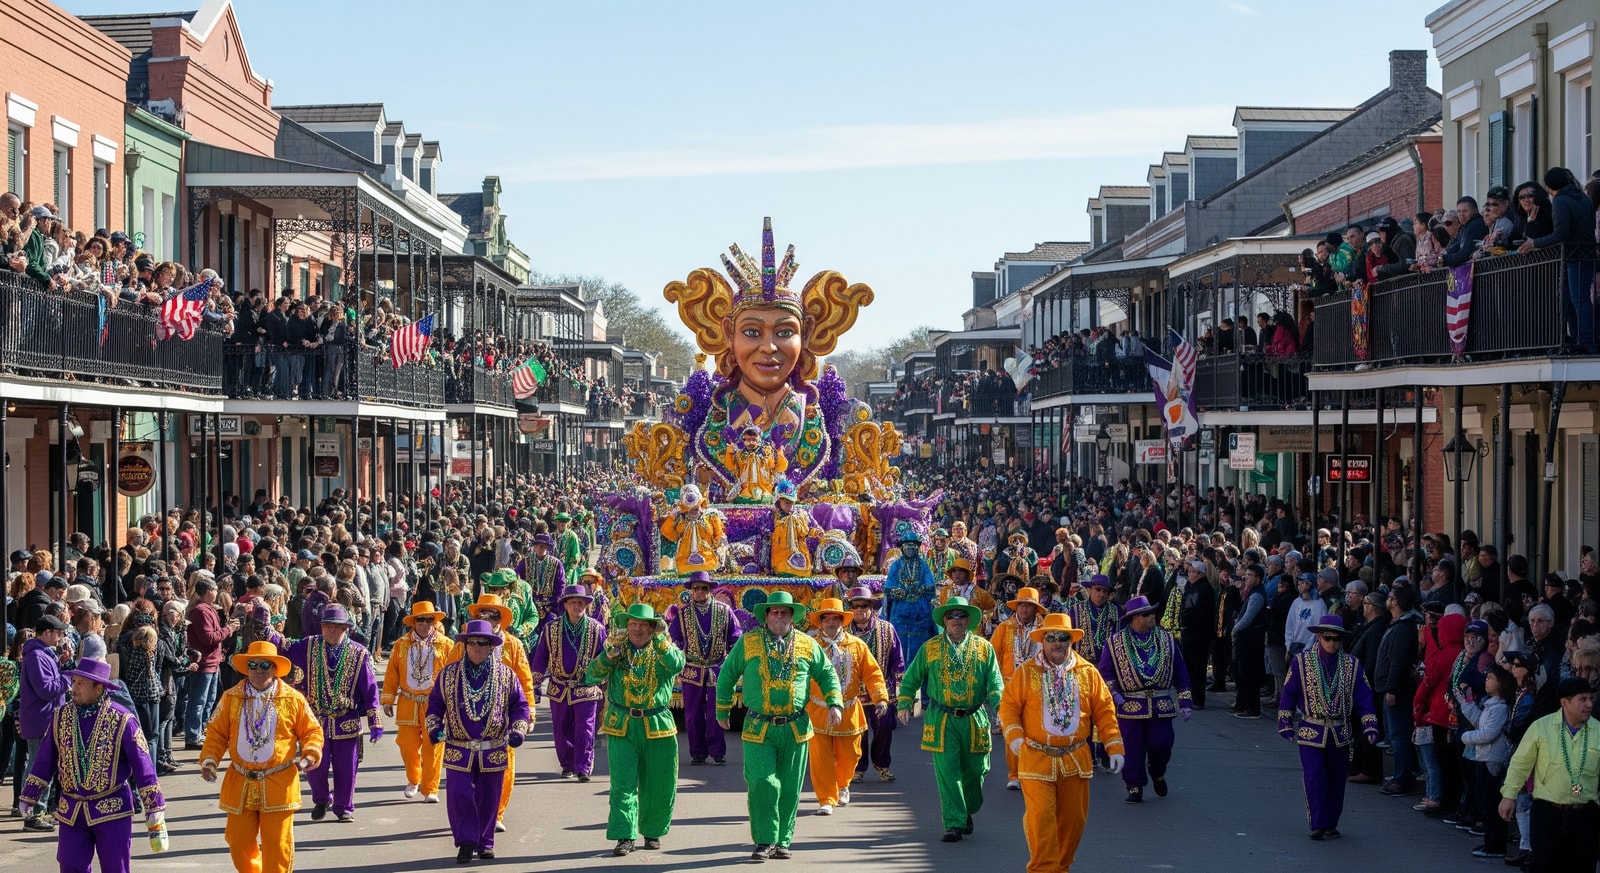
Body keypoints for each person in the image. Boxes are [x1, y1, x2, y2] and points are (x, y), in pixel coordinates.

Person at [716, 591, 843, 861]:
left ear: (792, 617)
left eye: (785, 612)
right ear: (766, 615)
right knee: (763, 783)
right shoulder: (749, 642)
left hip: (795, 727)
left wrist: (834, 703)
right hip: (759, 727)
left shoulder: (807, 644)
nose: (779, 616)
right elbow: (727, 674)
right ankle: (764, 839)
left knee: (789, 787)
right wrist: (722, 708)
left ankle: (783, 840)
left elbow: (827, 673)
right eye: (775, 611)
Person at [999, 613, 1125, 873]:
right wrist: (1014, 735)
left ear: (1071, 640)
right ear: (1043, 640)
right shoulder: (1026, 672)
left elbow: (1104, 711)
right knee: (1041, 820)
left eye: (1063, 637)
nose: (1057, 643)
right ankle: (1043, 869)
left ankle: (1061, 867)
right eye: (1051, 637)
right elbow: (1009, 706)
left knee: (1072, 825)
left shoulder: (1088, 673)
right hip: (1036, 759)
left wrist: (1114, 746)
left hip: (1075, 760)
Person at [19, 657, 166, 873]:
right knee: (70, 865)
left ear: (99, 688)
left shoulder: (123, 719)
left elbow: (143, 765)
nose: (74, 688)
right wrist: (29, 795)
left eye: (81, 683)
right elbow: (45, 759)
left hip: (112, 808)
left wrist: (154, 807)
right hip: (72, 809)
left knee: (116, 867)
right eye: (74, 682)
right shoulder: (61, 717)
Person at [199, 640, 325, 873]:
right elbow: (216, 733)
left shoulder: (293, 699)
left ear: (275, 668)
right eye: (253, 665)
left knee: (277, 845)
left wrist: (309, 754)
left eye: (265, 665)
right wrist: (210, 760)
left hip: (278, 782)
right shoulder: (231, 697)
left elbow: (312, 731)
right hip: (240, 782)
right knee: (237, 840)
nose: (258, 670)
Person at [897, 595, 1005, 842]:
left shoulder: (984, 648)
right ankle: (954, 822)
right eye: (951, 616)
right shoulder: (930, 647)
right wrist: (904, 702)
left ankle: (966, 808)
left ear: (969, 620)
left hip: (974, 718)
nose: (956, 620)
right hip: (942, 719)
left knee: (977, 771)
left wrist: (1001, 708)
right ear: (944, 621)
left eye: (961, 615)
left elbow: (995, 682)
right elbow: (912, 677)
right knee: (947, 772)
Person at [426, 619, 531, 864]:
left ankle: (485, 843)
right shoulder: (448, 674)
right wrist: (435, 728)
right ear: (465, 645)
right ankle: (465, 842)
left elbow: (520, 706)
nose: (477, 647)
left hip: (492, 747)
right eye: (472, 642)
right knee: (459, 794)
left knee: (489, 797)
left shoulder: (506, 675)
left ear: (491, 646)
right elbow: (435, 705)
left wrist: (518, 730)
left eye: (483, 643)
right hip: (459, 747)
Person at [585, 602, 683, 856]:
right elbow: (591, 676)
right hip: (622, 725)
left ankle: (652, 830)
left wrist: (660, 640)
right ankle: (625, 835)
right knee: (623, 783)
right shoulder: (616, 649)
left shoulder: (663, 649)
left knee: (659, 783)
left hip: (657, 725)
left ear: (652, 628)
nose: (637, 629)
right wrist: (607, 658)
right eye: (633, 624)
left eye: (643, 625)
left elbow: (677, 665)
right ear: (627, 626)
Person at [1276, 615, 1379, 839]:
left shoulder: (1352, 665)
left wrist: (1370, 725)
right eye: (1328, 638)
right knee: (1315, 776)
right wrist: (1285, 722)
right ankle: (1318, 823)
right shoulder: (1302, 662)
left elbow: (1364, 697)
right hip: (1311, 729)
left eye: (1337, 638)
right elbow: (1289, 692)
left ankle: (1331, 823)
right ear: (1319, 637)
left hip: (1341, 731)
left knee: (1336, 779)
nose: (1332, 642)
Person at [444, 593, 536, 831]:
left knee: (504, 769)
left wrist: (529, 714)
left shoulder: (513, 644)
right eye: (481, 614)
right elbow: (447, 676)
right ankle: (471, 820)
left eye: (492, 615)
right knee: (465, 775)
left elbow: (524, 680)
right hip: (467, 718)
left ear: (500, 619)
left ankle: (496, 814)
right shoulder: (464, 644)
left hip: (500, 720)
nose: (487, 618)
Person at [282, 605, 381, 823]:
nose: (331, 631)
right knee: (314, 765)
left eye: (337, 627)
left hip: (346, 720)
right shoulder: (309, 645)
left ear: (346, 628)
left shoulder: (359, 653)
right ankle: (321, 799)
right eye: (327, 626)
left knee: (346, 768)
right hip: (315, 720)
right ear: (322, 627)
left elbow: (369, 687)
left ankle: (344, 807)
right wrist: (262, 624)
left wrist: (375, 721)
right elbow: (283, 647)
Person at [1497, 676, 1600, 873]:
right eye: (1582, 699)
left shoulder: (1597, 730)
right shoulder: (1541, 727)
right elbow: (1520, 764)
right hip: (1547, 812)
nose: (1589, 704)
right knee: (1545, 866)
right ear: (1565, 702)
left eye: (1590, 699)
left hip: (1585, 815)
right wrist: (1509, 795)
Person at [1098, 595, 1193, 803]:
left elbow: (1180, 671)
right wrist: (1114, 692)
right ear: (1134, 618)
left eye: (1152, 613)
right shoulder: (1115, 643)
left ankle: (1157, 772)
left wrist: (1185, 701)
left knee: (1162, 744)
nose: (1152, 617)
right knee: (1132, 748)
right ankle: (1134, 785)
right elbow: (1105, 672)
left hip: (1161, 705)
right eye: (1146, 614)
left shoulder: (1167, 640)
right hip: (1130, 705)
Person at [804, 598, 889, 816]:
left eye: (836, 618)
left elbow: (872, 674)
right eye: (826, 618)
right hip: (818, 711)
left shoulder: (857, 645)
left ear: (843, 621)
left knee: (851, 755)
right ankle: (826, 799)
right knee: (820, 759)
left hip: (849, 709)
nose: (831, 622)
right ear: (820, 621)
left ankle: (843, 784)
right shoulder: (810, 645)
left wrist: (880, 697)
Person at [530, 584, 607, 781]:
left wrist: (604, 684)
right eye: (572, 602)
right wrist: (535, 684)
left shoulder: (597, 629)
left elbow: (603, 659)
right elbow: (541, 657)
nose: (576, 606)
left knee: (585, 728)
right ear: (565, 605)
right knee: (561, 728)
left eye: (580, 603)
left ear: (586, 605)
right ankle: (567, 764)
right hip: (559, 687)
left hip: (586, 687)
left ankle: (583, 767)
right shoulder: (551, 628)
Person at [667, 571, 740, 766]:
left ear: (710, 590)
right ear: (691, 590)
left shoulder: (724, 611)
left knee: (717, 710)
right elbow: (673, 640)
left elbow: (736, 637)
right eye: (696, 588)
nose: (700, 591)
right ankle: (697, 752)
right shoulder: (682, 614)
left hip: (717, 668)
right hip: (692, 669)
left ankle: (718, 752)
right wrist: (678, 659)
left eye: (704, 588)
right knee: (692, 714)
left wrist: (730, 661)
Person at [382, 600, 451, 802]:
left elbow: (454, 674)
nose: (425, 624)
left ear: (434, 621)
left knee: (434, 746)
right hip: (408, 701)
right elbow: (392, 672)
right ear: (414, 622)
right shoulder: (401, 644)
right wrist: (388, 698)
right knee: (407, 745)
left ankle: (431, 788)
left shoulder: (447, 644)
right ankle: (414, 778)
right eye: (420, 620)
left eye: (429, 620)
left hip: (435, 704)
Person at [846, 585, 903, 784]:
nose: (859, 610)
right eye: (855, 606)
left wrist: (902, 689)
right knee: (857, 732)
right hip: (853, 691)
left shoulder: (886, 629)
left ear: (871, 607)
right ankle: (858, 768)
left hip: (882, 690)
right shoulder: (843, 631)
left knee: (884, 728)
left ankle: (883, 765)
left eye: (864, 605)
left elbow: (897, 659)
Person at [990, 585, 1045, 789]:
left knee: (1036, 732)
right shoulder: (1004, 628)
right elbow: (992, 656)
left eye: (1028, 606)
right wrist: (994, 685)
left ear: (1036, 609)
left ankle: (1034, 773)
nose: (1023, 609)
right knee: (1012, 731)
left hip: (1038, 688)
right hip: (1010, 687)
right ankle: (1015, 774)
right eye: (1021, 605)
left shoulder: (1045, 630)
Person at [882, 530, 937, 663]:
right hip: (900, 612)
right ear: (902, 547)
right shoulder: (896, 565)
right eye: (907, 545)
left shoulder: (923, 565)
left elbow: (930, 586)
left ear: (917, 547)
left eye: (913, 545)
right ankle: (899, 671)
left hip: (920, 612)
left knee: (920, 647)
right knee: (898, 646)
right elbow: (888, 588)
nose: (910, 548)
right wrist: (898, 591)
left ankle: (920, 671)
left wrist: (922, 588)